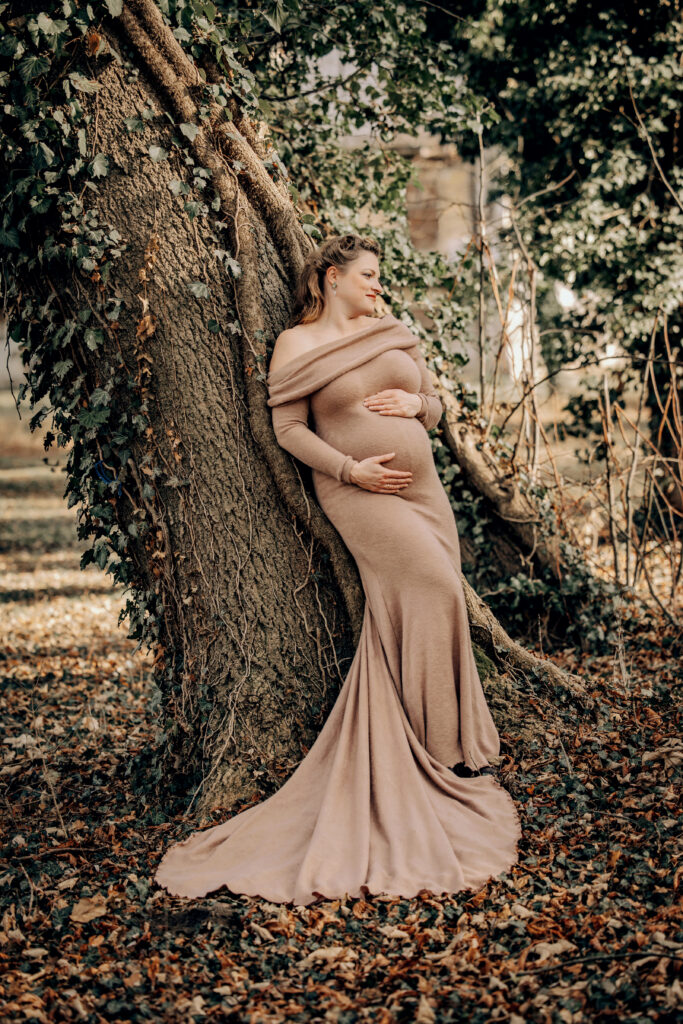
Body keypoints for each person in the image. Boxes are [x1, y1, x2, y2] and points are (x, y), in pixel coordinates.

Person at [154, 234, 521, 905]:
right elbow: (288, 429)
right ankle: (434, 752)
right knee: (434, 589)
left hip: (423, 493)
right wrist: (350, 468)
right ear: (329, 277)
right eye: (370, 276)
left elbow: (432, 402)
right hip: (356, 492)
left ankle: (447, 739)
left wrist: (419, 409)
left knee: (426, 601)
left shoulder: (388, 330)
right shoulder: (296, 346)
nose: (379, 288)